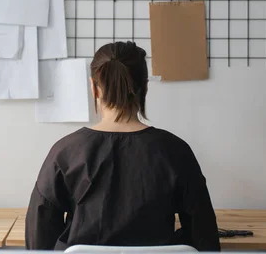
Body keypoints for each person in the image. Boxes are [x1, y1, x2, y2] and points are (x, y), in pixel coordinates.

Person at [25, 41, 220, 251]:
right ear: (144, 86)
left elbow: (39, 232)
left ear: (94, 88)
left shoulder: (65, 152)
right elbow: (204, 234)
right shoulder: (176, 151)